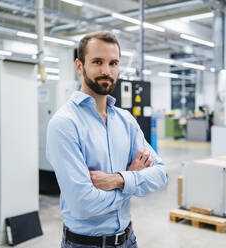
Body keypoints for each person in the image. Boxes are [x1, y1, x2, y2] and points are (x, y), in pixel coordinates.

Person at [46, 31, 167, 248]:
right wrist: (132, 181)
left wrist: (118, 179)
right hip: (85, 244)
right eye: (97, 62)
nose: (106, 71)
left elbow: (160, 174)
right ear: (79, 66)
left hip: (128, 240)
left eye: (113, 63)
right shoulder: (64, 124)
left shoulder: (125, 120)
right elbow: (83, 205)